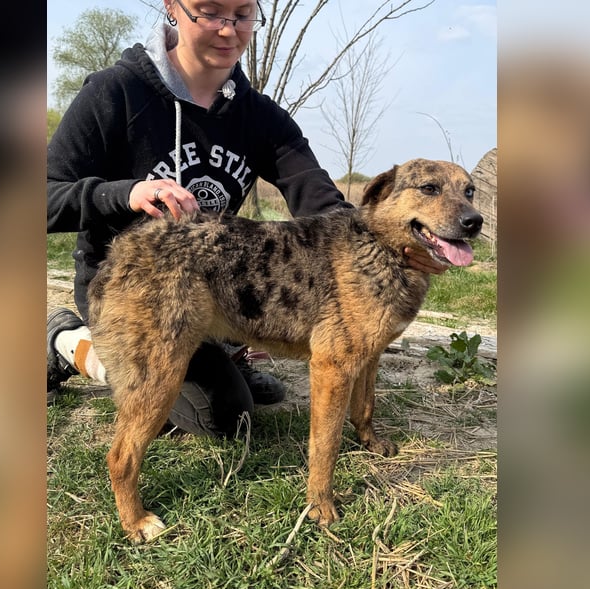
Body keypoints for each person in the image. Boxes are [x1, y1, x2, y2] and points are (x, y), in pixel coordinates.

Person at [47, 0, 446, 437]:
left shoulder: (259, 116)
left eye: (242, 15)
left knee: (243, 409)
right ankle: (71, 341)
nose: (227, 30)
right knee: (216, 416)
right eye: (209, 11)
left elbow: (322, 202)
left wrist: (393, 240)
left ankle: (223, 349)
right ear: (172, 8)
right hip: (132, 288)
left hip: (218, 286)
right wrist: (125, 193)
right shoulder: (114, 93)